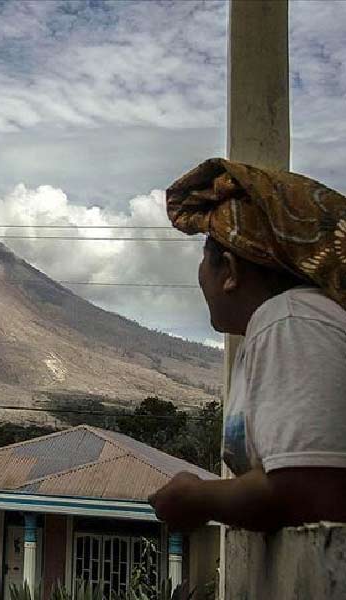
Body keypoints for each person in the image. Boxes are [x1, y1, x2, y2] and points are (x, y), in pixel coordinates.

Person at [148, 158, 346, 532]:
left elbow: (309, 490)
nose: (200, 277)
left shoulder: (291, 319)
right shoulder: (278, 328)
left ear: (230, 270)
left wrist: (198, 498)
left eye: (204, 260)